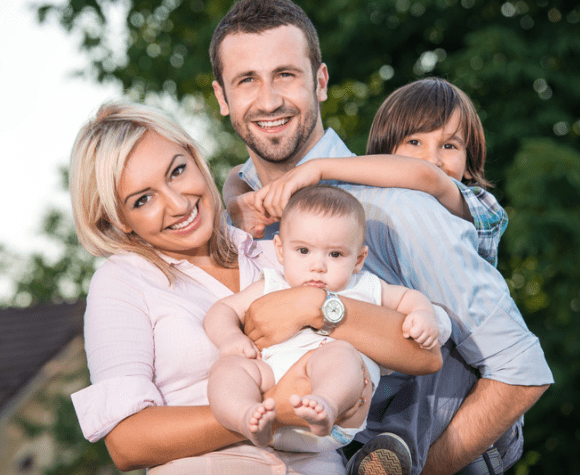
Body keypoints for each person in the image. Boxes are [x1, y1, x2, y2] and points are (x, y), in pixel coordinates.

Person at [208, 1, 553, 474]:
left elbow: (521, 373)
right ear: (222, 97)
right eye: (247, 79)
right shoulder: (233, 219)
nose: (268, 100)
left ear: (321, 81)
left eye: (286, 74)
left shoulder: (397, 209)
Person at [68, 101, 440, 475]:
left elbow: (425, 356)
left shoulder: (280, 252)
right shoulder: (122, 282)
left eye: (178, 171)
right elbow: (127, 442)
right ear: (119, 221)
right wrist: (272, 411)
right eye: (143, 199)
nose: (178, 204)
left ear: (196, 160)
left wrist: (316, 305)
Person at [205, 185, 444, 454]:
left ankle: (324, 405)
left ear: (358, 259)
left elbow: (408, 298)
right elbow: (222, 309)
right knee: (229, 368)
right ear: (280, 250)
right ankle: (246, 417)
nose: (318, 265)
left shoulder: (364, 286)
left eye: (335, 254)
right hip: (272, 400)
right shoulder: (272, 284)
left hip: (336, 416)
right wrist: (229, 337)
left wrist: (421, 314)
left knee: (339, 353)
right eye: (304, 251)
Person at [229, 78, 507, 268]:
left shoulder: (474, 204)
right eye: (414, 142)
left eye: (449, 145)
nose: (432, 159)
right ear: (384, 154)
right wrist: (236, 200)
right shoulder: (375, 199)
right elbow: (236, 172)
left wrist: (317, 167)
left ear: (469, 160)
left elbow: (427, 176)